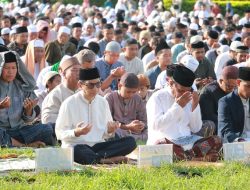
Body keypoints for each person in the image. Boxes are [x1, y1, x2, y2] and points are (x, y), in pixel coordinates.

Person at [56, 68, 136, 164]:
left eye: (98, 84)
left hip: (98, 146)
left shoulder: (103, 102)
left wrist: (110, 130)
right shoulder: (69, 103)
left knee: (130, 142)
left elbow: (105, 134)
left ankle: (96, 158)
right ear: (80, 85)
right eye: (90, 85)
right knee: (77, 151)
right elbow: (59, 134)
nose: (95, 88)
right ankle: (103, 160)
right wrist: (76, 132)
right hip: (78, 145)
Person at [147, 65, 222, 161]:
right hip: (167, 143)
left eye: (188, 91)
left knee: (216, 140)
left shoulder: (189, 97)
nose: (184, 94)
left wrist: (195, 107)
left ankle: (188, 157)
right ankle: (198, 158)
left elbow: (196, 128)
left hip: (188, 144)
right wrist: (177, 106)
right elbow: (156, 126)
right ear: (171, 83)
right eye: (180, 90)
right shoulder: (157, 98)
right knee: (161, 146)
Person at [0, 51, 54, 147]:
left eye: (13, 68)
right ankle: (25, 146)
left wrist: (28, 110)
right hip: (2, 131)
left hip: (20, 131)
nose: (10, 72)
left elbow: (28, 120)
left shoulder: (23, 87)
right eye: (6, 68)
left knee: (48, 129)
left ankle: (13, 144)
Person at [105, 73, 147, 141]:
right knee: (115, 132)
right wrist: (128, 127)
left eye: (134, 92)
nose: (131, 95)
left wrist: (141, 125)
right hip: (118, 130)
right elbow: (107, 124)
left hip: (135, 132)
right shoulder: (109, 98)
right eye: (128, 92)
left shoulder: (137, 98)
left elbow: (144, 121)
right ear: (119, 86)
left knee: (151, 132)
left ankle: (130, 139)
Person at [41, 56, 81, 124]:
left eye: (80, 70)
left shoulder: (84, 91)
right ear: (63, 73)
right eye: (74, 70)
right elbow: (47, 119)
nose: (78, 73)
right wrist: (71, 120)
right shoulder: (55, 94)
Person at [199, 66, 238, 134]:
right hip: (215, 124)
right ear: (221, 81)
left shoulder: (235, 90)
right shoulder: (208, 92)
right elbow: (209, 116)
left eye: (234, 86)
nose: (231, 89)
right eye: (229, 86)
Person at [218, 67, 250, 142]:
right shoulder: (225, 102)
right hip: (237, 143)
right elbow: (225, 131)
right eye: (248, 86)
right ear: (238, 82)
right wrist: (240, 141)